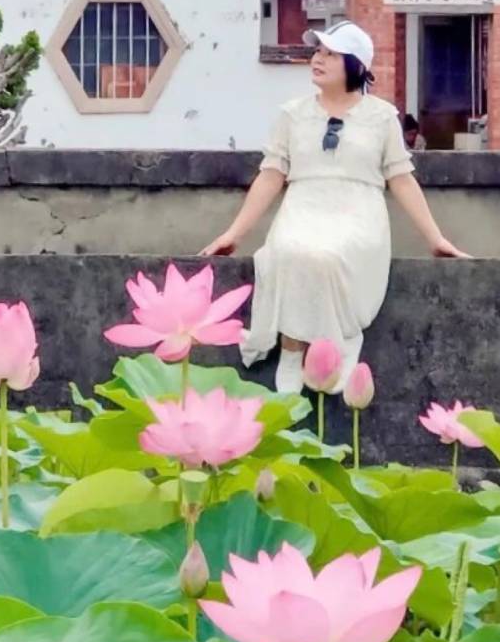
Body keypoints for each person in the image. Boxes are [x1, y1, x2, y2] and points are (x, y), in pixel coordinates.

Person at [200, 20, 469, 395]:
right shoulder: (292, 114)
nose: (318, 60)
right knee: (288, 252)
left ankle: (334, 347)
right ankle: (293, 351)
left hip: (357, 212)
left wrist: (436, 238)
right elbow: (271, 175)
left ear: (354, 65)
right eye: (317, 52)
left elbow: (402, 178)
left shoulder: (381, 117)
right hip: (303, 206)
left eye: (330, 54)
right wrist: (233, 234)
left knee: (327, 256)